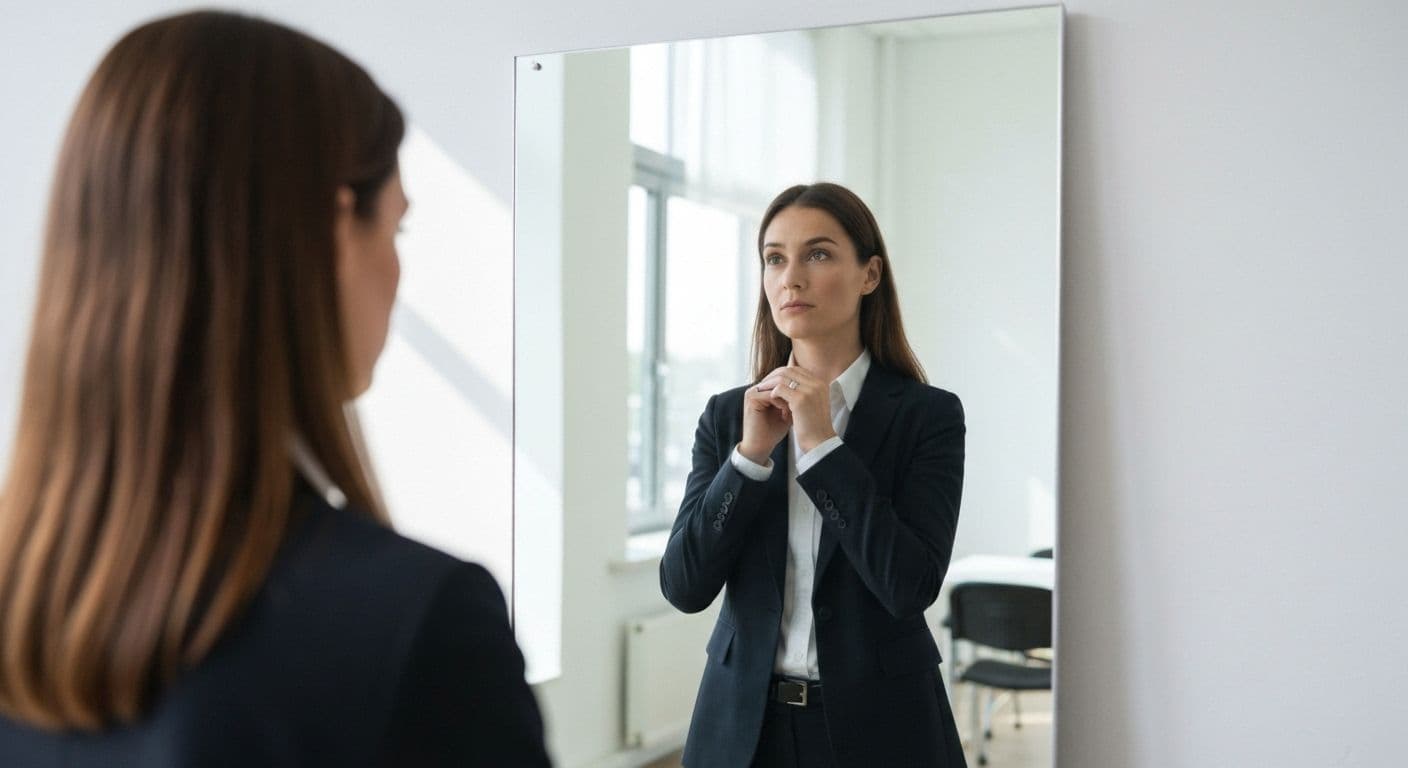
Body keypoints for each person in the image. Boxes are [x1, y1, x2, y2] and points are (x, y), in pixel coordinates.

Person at [0, 11, 551, 767]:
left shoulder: (24, 603)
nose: (398, 273)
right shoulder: (417, 626)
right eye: (396, 230)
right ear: (332, 231)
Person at [660, 182, 968, 767]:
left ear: (869, 274)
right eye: (775, 258)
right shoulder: (729, 417)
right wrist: (749, 458)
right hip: (742, 730)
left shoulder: (928, 416)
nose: (791, 278)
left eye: (818, 254)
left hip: (883, 730)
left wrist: (823, 446)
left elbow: (908, 586)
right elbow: (683, 585)